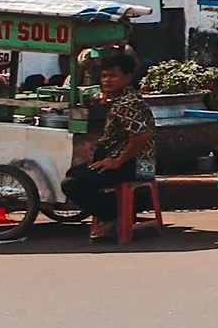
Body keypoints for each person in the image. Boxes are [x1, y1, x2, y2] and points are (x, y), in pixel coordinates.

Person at [63, 51, 155, 243]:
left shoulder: (127, 103)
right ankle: (119, 211)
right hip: (128, 162)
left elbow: (142, 134)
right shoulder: (122, 100)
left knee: (72, 183)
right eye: (104, 76)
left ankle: (112, 215)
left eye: (113, 75)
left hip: (132, 164)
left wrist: (118, 160)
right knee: (76, 174)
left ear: (127, 78)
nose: (106, 80)